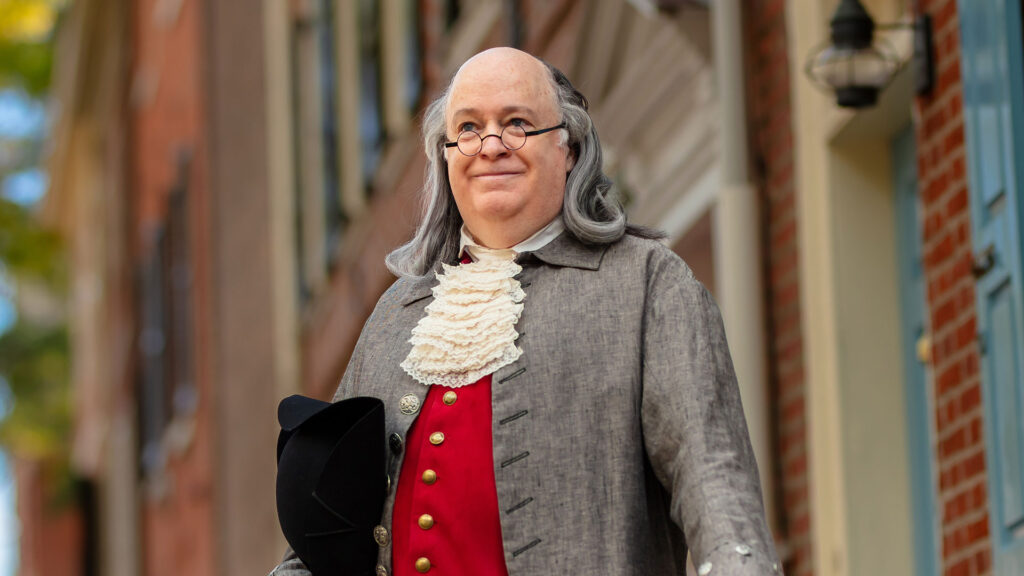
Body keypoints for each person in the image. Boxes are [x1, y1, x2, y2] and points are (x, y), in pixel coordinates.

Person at [270, 47, 781, 576]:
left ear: (569, 149)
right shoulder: (394, 317)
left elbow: (713, 481)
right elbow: (321, 536)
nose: (491, 146)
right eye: (468, 128)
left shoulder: (645, 283)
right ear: (446, 157)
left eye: (517, 123)